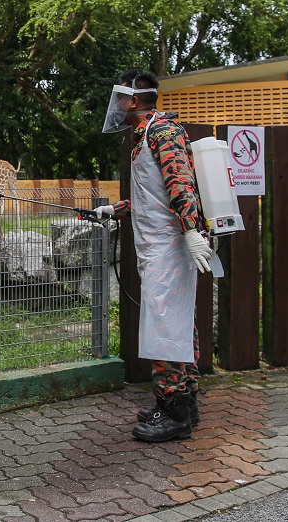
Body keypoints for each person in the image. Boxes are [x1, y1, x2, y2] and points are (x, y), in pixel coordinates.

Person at [94, 69, 213, 442]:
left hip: (170, 246)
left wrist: (192, 231)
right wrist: (118, 209)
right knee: (177, 324)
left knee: (166, 328)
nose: (116, 108)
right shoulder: (144, 135)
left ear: (133, 100)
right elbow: (155, 193)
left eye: (119, 100)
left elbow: (180, 184)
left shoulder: (162, 131)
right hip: (157, 243)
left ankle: (172, 412)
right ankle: (186, 402)